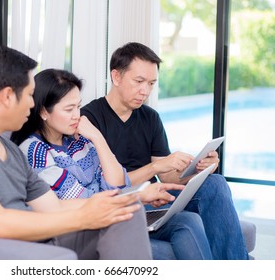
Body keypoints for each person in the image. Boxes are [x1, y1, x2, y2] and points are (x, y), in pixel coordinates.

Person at [0, 45, 152, 260]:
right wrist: (82, 218)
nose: (32, 106)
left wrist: (119, 201)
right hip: (3, 255)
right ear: (7, 96)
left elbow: (52, 206)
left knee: (125, 215)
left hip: (39, 245)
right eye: (29, 95)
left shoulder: (9, 151)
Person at [11, 68, 213, 260]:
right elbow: (87, 200)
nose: (77, 115)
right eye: (69, 109)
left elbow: (118, 183)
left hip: (114, 218)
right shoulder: (34, 151)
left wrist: (97, 138)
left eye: (79, 107)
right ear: (44, 112)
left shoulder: (78, 140)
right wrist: (139, 196)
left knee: (188, 220)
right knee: (170, 254)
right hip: (82, 229)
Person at [81, 42, 249, 260]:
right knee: (188, 221)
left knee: (215, 183)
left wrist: (198, 169)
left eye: (151, 83)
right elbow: (107, 185)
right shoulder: (90, 120)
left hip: (156, 199)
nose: (146, 91)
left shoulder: (149, 117)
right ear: (116, 77)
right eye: (139, 81)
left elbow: (168, 176)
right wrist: (156, 167)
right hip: (130, 202)